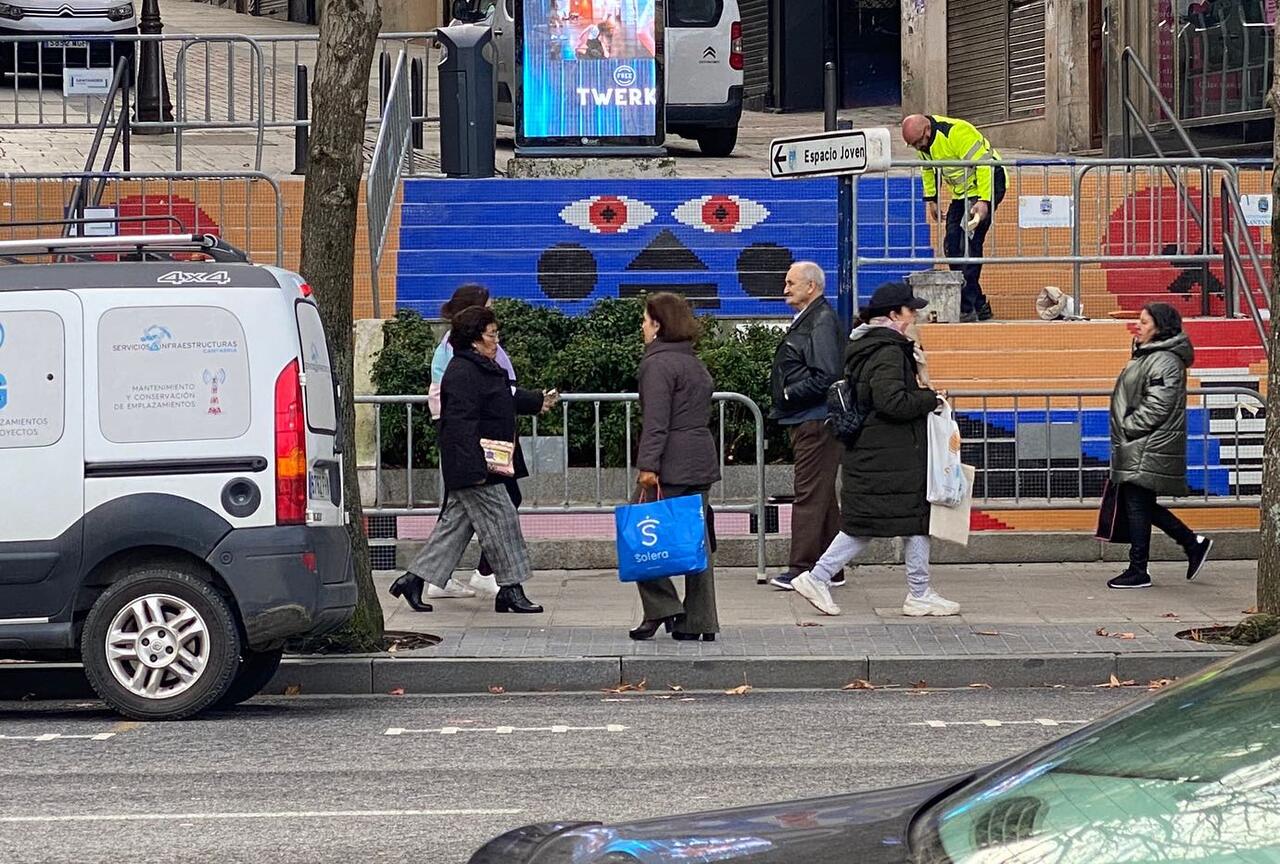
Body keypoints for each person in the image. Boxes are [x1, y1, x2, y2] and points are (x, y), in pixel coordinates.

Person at [790, 282, 961, 618]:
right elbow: (891, 401)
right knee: (866, 525)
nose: (915, 315)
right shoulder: (888, 350)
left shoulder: (870, 346)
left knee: (909, 521)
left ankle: (919, 591)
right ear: (894, 314)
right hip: (887, 455)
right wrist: (930, 398)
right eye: (911, 310)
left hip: (883, 454)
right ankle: (819, 576)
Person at [389, 306, 557, 614]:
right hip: (478, 467)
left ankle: (413, 579)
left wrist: (537, 401)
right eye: (492, 334)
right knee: (503, 522)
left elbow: (504, 397)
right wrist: (474, 469)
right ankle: (511, 588)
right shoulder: (464, 372)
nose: (496, 340)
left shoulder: (479, 367)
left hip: (479, 465)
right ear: (475, 339)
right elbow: (459, 426)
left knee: (454, 528)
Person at [629, 293, 721, 642]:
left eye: (644, 320)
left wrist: (648, 465)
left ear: (658, 324)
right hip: (700, 458)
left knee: (639, 535)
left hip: (670, 462)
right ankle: (700, 621)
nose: (642, 326)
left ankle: (663, 607)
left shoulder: (657, 364)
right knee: (697, 543)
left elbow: (656, 422)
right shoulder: (692, 361)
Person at [1105, 302, 1214, 589]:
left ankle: (1139, 568)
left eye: (1144, 321)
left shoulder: (1164, 360)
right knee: (1140, 505)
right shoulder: (1149, 355)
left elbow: (1158, 405)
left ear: (1160, 326)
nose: (1137, 326)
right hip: (1140, 442)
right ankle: (1192, 543)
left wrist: (1129, 427)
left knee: (1138, 505)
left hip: (1146, 442)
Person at [428, 284, 519, 600]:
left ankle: (422, 578)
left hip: (483, 445)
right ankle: (501, 579)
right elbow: (465, 413)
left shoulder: (467, 356)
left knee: (459, 516)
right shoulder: (462, 361)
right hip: (478, 449)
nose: (495, 336)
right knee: (495, 509)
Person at [768, 261, 847, 592]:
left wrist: (787, 393)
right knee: (822, 495)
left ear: (811, 286)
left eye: (791, 283)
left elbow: (827, 374)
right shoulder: (815, 319)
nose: (785, 288)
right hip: (812, 418)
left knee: (809, 494)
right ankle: (833, 567)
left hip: (814, 419)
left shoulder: (821, 321)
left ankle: (802, 569)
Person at [901, 113, 1006, 323]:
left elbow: (984, 165)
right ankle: (978, 304)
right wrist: (931, 198)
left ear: (927, 130)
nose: (917, 148)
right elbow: (928, 169)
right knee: (952, 246)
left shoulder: (956, 132)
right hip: (963, 193)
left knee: (968, 244)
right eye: (912, 145)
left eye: (917, 142)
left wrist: (984, 201)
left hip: (988, 184)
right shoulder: (924, 145)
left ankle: (967, 307)